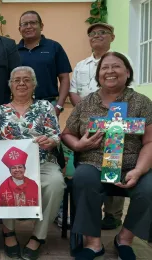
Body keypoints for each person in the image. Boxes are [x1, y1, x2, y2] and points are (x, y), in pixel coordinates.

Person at [61, 52, 152, 260]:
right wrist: (79, 144)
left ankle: (124, 239)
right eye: (104, 68)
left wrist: (138, 170)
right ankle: (93, 243)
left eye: (116, 66)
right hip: (93, 163)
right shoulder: (86, 103)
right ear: (98, 74)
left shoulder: (141, 102)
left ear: (127, 72)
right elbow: (66, 134)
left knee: (149, 187)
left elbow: (149, 141)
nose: (110, 71)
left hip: (132, 164)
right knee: (82, 179)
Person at [0, 66, 64, 260]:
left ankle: (38, 236)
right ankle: (8, 231)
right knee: (1, 180)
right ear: (10, 85)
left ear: (34, 84)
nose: (21, 83)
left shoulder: (45, 107)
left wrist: (51, 142)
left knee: (55, 183)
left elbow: (55, 135)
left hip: (42, 162)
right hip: (8, 165)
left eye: (26, 79)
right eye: (17, 80)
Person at [69, 22, 125, 231]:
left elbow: (126, 92)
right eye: (93, 34)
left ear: (112, 36)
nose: (97, 36)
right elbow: (74, 91)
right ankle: (90, 210)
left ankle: (112, 213)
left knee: (114, 163)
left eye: (103, 33)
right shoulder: (82, 65)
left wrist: (108, 117)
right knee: (87, 166)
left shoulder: (120, 62)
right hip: (85, 124)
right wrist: (85, 114)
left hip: (114, 122)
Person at [17, 10, 71, 117]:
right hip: (20, 107)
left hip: (48, 105)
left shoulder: (54, 47)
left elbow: (64, 78)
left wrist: (58, 106)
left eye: (33, 23)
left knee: (48, 134)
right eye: (25, 24)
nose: (29, 26)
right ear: (20, 29)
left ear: (41, 26)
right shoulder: (14, 51)